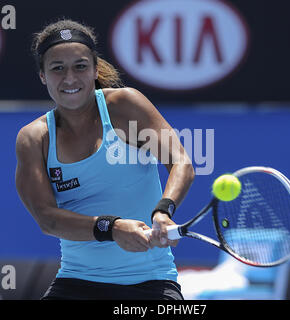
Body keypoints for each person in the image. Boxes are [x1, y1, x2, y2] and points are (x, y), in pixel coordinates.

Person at [15, 19, 194, 300]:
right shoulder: (34, 138)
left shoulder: (126, 106)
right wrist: (111, 228)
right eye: (57, 68)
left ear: (95, 68)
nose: (70, 78)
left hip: (150, 284)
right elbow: (47, 219)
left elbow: (181, 162)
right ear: (42, 75)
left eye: (80, 66)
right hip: (75, 283)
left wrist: (163, 211)